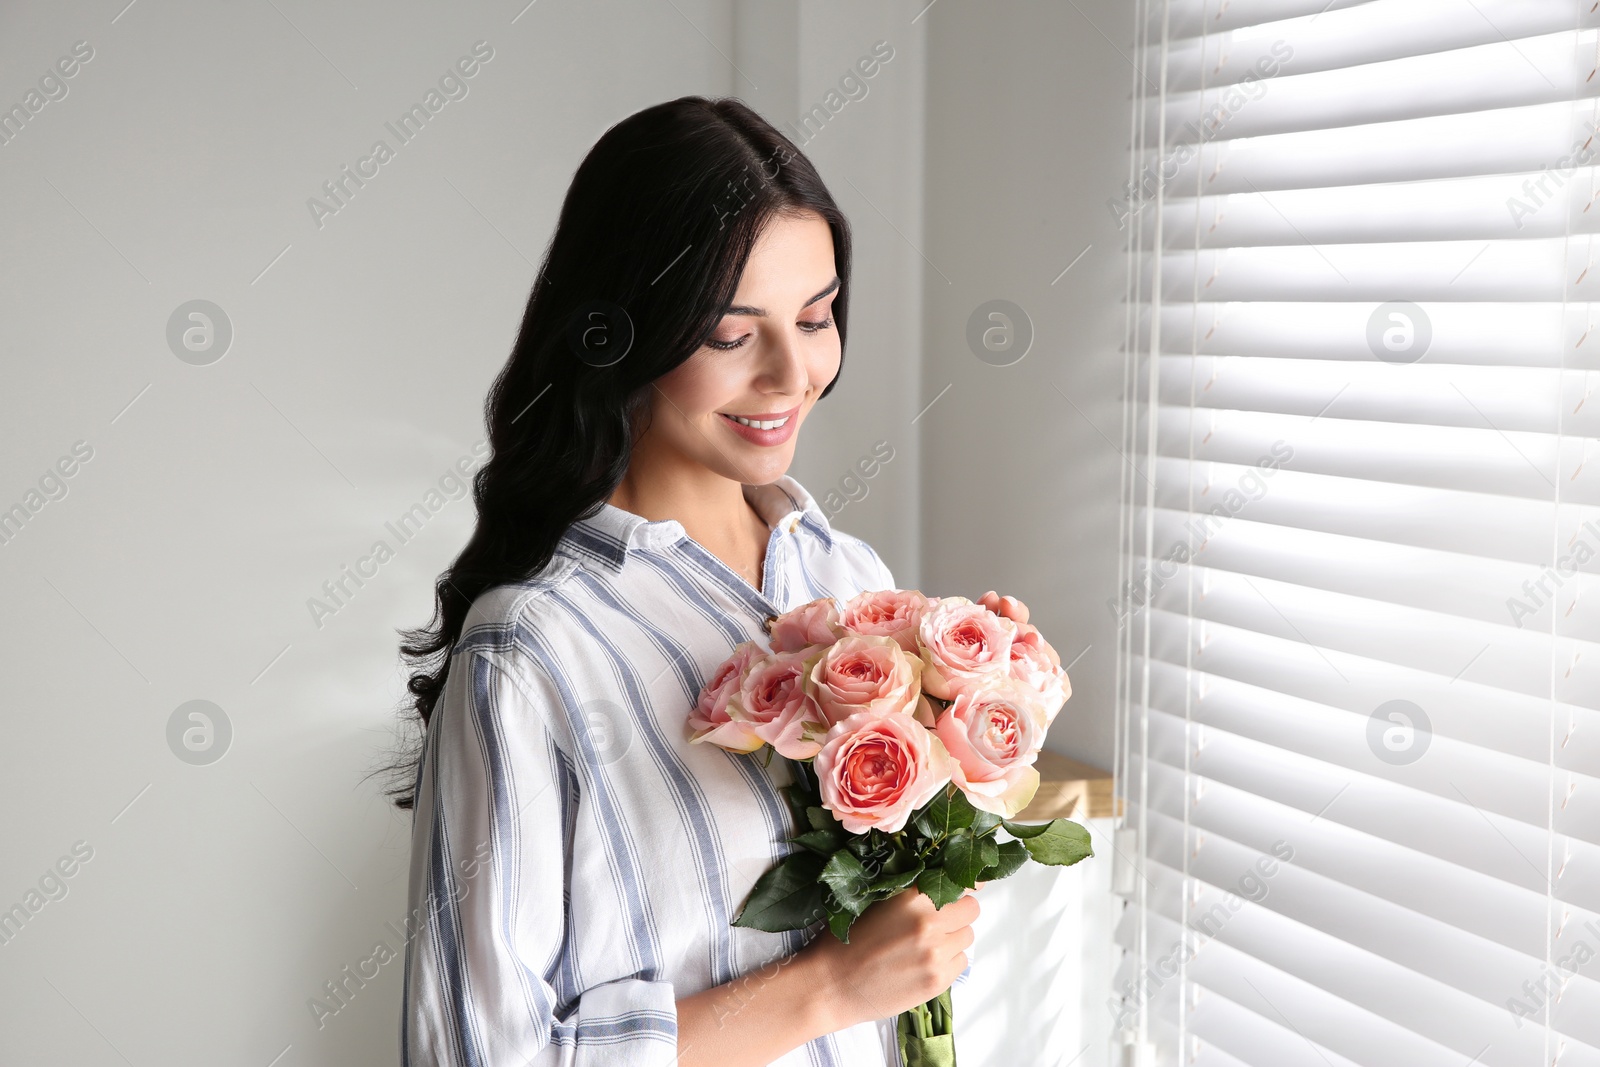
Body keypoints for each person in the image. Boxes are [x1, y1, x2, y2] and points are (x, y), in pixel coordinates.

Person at [387, 95, 1030, 1067]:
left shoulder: (850, 577)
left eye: (815, 318)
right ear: (619, 336)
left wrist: (987, 702)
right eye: (732, 336)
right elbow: (480, 1056)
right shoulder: (530, 650)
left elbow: (904, 942)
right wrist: (822, 988)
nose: (790, 373)